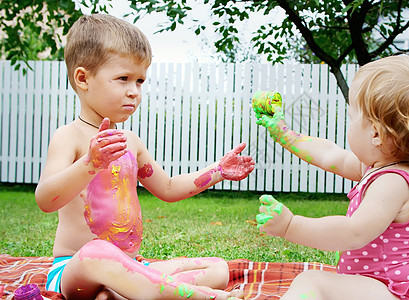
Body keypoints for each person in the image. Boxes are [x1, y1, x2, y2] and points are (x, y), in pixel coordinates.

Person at [35, 14, 253, 300]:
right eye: (123, 79)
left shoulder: (131, 143)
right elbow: (45, 200)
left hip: (130, 268)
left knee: (218, 269)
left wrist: (218, 171)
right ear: (83, 78)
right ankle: (197, 295)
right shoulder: (69, 137)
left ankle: (121, 294)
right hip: (76, 271)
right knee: (97, 252)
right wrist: (91, 163)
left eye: (139, 81)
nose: (134, 92)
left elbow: (168, 188)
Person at [254, 55, 409, 299]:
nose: (349, 123)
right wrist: (285, 135)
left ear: (375, 134)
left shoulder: (393, 182)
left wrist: (291, 226)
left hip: (393, 292)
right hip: (372, 286)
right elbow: (330, 155)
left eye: (352, 117)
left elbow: (353, 233)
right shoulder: (375, 166)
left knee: (313, 282)